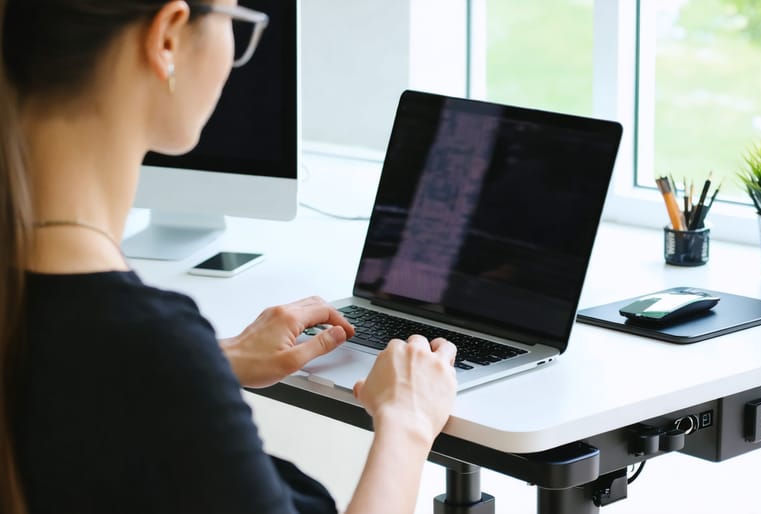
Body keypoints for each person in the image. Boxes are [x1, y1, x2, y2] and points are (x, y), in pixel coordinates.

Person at [0, 1, 458, 513]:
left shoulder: (78, 332)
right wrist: (409, 423)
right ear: (168, 37)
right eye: (235, 21)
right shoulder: (149, 348)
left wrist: (215, 362)